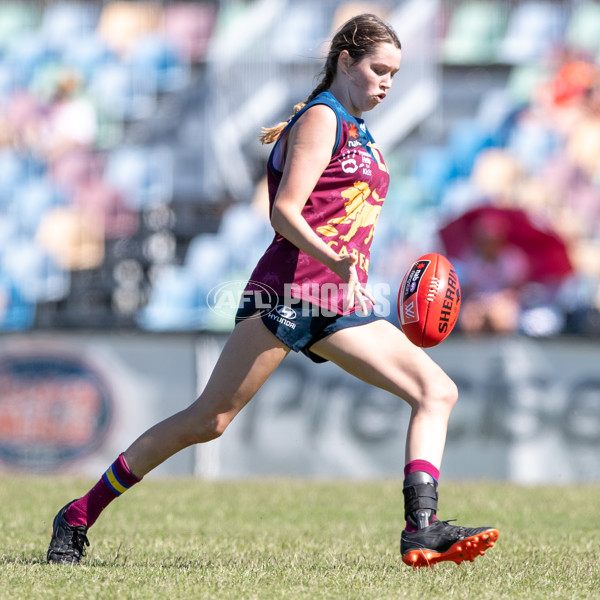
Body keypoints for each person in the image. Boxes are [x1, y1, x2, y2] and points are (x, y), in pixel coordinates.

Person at [47, 13, 498, 569]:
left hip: (337, 302)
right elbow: (284, 212)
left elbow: (346, 219)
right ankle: (76, 514)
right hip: (284, 294)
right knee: (207, 421)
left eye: (394, 74)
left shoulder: (362, 130)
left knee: (437, 391)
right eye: (378, 69)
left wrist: (353, 268)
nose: (386, 82)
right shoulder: (321, 120)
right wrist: (334, 257)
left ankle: (421, 529)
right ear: (345, 61)